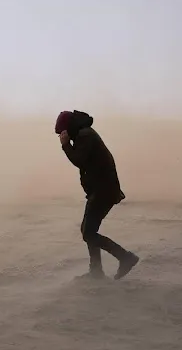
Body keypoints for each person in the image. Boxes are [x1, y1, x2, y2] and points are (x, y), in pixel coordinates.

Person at [55, 110, 139, 280]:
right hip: (100, 190)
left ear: (68, 128)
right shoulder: (83, 134)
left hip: (104, 190)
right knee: (88, 230)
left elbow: (79, 160)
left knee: (88, 233)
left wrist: (65, 146)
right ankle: (96, 270)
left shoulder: (85, 135)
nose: (63, 137)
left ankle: (125, 257)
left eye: (63, 133)